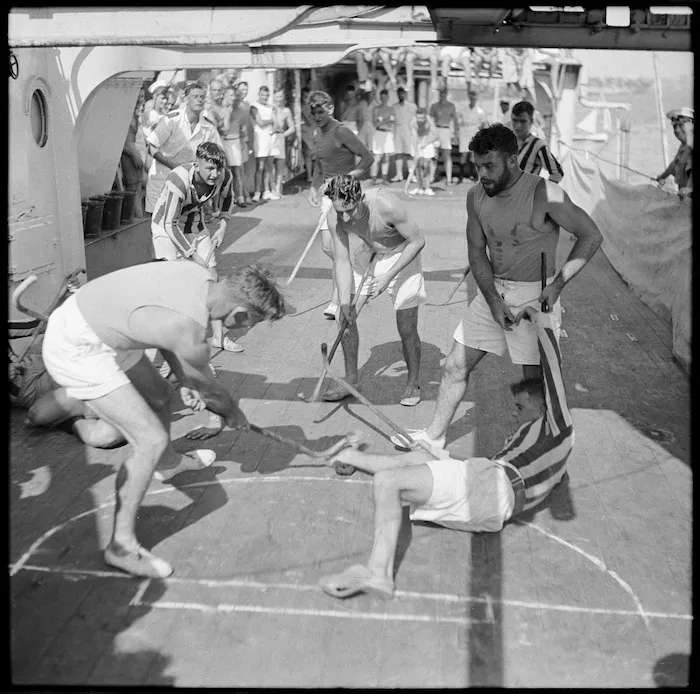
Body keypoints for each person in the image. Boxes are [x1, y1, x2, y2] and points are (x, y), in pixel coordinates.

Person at [41, 261, 286, 578]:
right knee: (150, 440)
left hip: (95, 322)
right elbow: (211, 390)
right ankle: (121, 546)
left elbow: (167, 338)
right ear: (240, 315)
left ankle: (167, 464)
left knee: (158, 395)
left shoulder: (197, 275)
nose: (246, 328)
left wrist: (186, 381)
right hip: (78, 346)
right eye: (252, 322)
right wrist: (233, 414)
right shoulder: (190, 333)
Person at [319, 306, 572, 599]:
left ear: (545, 408)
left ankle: (379, 576)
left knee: (387, 482)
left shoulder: (557, 425)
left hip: (491, 488)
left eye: (521, 408)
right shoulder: (541, 446)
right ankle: (351, 457)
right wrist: (442, 456)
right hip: (490, 491)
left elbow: (553, 373)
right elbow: (493, 469)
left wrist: (540, 321)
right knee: (420, 456)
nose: (516, 415)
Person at [391, 123, 601, 450]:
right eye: (477, 166)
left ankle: (541, 456)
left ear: (513, 161)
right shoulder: (476, 195)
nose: (482, 174)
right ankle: (433, 438)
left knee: (532, 385)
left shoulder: (545, 194)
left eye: (489, 166)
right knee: (454, 365)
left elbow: (591, 236)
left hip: (536, 296)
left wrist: (558, 286)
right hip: (494, 292)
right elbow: (477, 251)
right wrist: (491, 300)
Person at [321, 174, 427, 406]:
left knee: (406, 326)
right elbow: (341, 261)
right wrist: (345, 303)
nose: (345, 217)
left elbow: (418, 241)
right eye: (340, 211)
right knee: (344, 316)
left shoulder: (386, 205)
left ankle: (412, 383)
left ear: (360, 199)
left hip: (402, 253)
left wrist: (388, 275)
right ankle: (351, 379)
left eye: (349, 210)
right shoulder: (334, 215)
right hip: (369, 251)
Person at [150, 141, 242, 358]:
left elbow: (229, 198)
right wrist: (193, 257)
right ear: (197, 164)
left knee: (212, 278)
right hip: (165, 227)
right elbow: (169, 224)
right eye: (209, 168)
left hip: (195, 225)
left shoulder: (224, 176)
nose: (215, 173)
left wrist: (223, 226)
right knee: (176, 286)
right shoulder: (178, 178)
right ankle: (173, 347)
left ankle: (219, 337)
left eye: (218, 168)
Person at [307, 90, 374, 320]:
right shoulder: (317, 133)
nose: (317, 116)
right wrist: (314, 187)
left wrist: (345, 179)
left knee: (336, 246)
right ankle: (350, 274)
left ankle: (337, 299)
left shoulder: (341, 131)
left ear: (331, 109)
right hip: (327, 192)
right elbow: (319, 164)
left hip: (343, 193)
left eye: (321, 111)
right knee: (329, 247)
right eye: (313, 112)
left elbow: (368, 158)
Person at [10, 335, 124, 449]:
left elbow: (31, 325)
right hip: (28, 387)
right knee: (37, 414)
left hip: (31, 365)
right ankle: (72, 416)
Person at [145, 81, 223, 215]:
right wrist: (173, 166)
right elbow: (151, 147)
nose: (199, 100)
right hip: (162, 177)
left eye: (202, 97)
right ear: (186, 99)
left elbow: (217, 155)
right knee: (156, 220)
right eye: (195, 96)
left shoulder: (208, 127)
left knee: (182, 223)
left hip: (188, 182)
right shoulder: (172, 120)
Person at [511, 101, 564, 183]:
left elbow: (557, 174)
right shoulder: (505, 142)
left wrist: (540, 192)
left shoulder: (538, 145)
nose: (518, 126)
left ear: (531, 121)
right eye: (515, 121)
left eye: (523, 121)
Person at [220, 85, 250, 208]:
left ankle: (240, 197)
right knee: (224, 172)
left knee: (237, 170)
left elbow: (243, 130)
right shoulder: (219, 109)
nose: (233, 98)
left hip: (235, 141)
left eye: (234, 95)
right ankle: (226, 199)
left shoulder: (240, 111)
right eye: (230, 95)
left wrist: (243, 143)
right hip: (222, 141)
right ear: (225, 95)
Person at [656, 106, 693, 200]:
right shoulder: (684, 147)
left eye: (681, 125)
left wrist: (688, 189)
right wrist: (662, 176)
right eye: (674, 126)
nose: (677, 130)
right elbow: (674, 164)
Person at [250, 85, 277, 202]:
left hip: (271, 137)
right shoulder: (254, 106)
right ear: (259, 94)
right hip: (260, 138)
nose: (265, 97)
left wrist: (274, 124)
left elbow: (277, 125)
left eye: (267, 95)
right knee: (260, 166)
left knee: (269, 166)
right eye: (263, 95)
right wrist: (272, 120)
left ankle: (267, 191)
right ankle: (257, 192)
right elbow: (260, 122)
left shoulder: (271, 107)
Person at [457, 86, 489, 183]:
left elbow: (484, 124)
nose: (472, 99)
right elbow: (459, 121)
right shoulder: (463, 109)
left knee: (473, 154)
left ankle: (472, 175)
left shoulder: (480, 111)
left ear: (476, 98)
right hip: (464, 132)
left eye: (474, 97)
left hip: (474, 132)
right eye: (471, 97)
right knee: (463, 154)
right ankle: (461, 176)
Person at [429, 86, 458, 185]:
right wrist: (433, 133)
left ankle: (449, 179)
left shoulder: (451, 106)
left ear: (446, 94)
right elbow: (430, 120)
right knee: (433, 155)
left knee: (447, 155)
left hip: (446, 130)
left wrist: (455, 134)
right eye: (441, 93)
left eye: (444, 93)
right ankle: (431, 177)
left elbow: (455, 121)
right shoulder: (434, 106)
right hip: (436, 129)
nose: (442, 95)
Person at [271, 89, 296, 198]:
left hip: (280, 137)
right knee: (269, 165)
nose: (278, 99)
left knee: (280, 164)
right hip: (270, 137)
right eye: (276, 97)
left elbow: (292, 128)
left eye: (280, 97)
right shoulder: (270, 108)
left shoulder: (286, 111)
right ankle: (271, 189)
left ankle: (278, 190)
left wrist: (282, 135)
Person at [409, 107, 438, 196]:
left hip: (428, 140)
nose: (420, 120)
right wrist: (416, 151)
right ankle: (419, 187)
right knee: (418, 165)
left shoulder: (429, 120)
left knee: (427, 164)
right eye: (418, 118)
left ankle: (427, 187)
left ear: (425, 116)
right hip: (418, 141)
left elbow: (435, 134)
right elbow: (414, 138)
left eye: (422, 118)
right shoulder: (413, 122)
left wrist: (425, 143)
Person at [390, 86, 417, 183]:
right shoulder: (394, 106)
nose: (401, 95)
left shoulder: (412, 106)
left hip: (408, 130)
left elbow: (415, 120)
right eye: (399, 93)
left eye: (402, 93)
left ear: (406, 94)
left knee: (409, 153)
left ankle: (411, 174)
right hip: (398, 130)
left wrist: (414, 133)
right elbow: (392, 120)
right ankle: (399, 174)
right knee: (398, 153)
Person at [370, 89, 396, 185]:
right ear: (380, 98)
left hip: (388, 134)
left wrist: (383, 122)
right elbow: (375, 123)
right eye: (382, 98)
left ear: (388, 98)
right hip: (379, 133)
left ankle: (384, 178)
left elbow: (392, 123)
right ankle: (373, 178)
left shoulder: (391, 109)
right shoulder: (376, 109)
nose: (384, 99)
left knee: (386, 157)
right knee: (377, 157)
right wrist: (386, 121)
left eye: (385, 97)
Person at [300, 87, 315, 184]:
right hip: (306, 132)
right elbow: (309, 121)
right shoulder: (303, 107)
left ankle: (311, 175)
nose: (306, 98)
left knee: (312, 154)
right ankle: (309, 175)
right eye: (305, 96)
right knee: (308, 154)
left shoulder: (311, 106)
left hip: (312, 131)